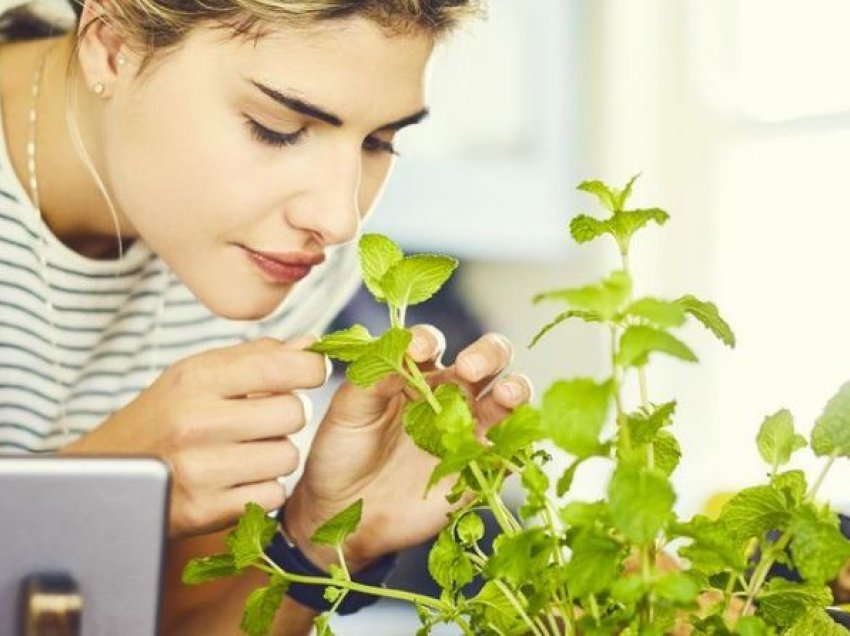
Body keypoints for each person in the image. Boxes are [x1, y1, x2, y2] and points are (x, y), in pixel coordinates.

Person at [0, 1, 534, 633]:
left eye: (379, 142)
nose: (339, 220)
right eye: (276, 128)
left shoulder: (279, 260)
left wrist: (317, 538)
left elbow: (172, 625)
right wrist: (97, 490)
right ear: (111, 45)